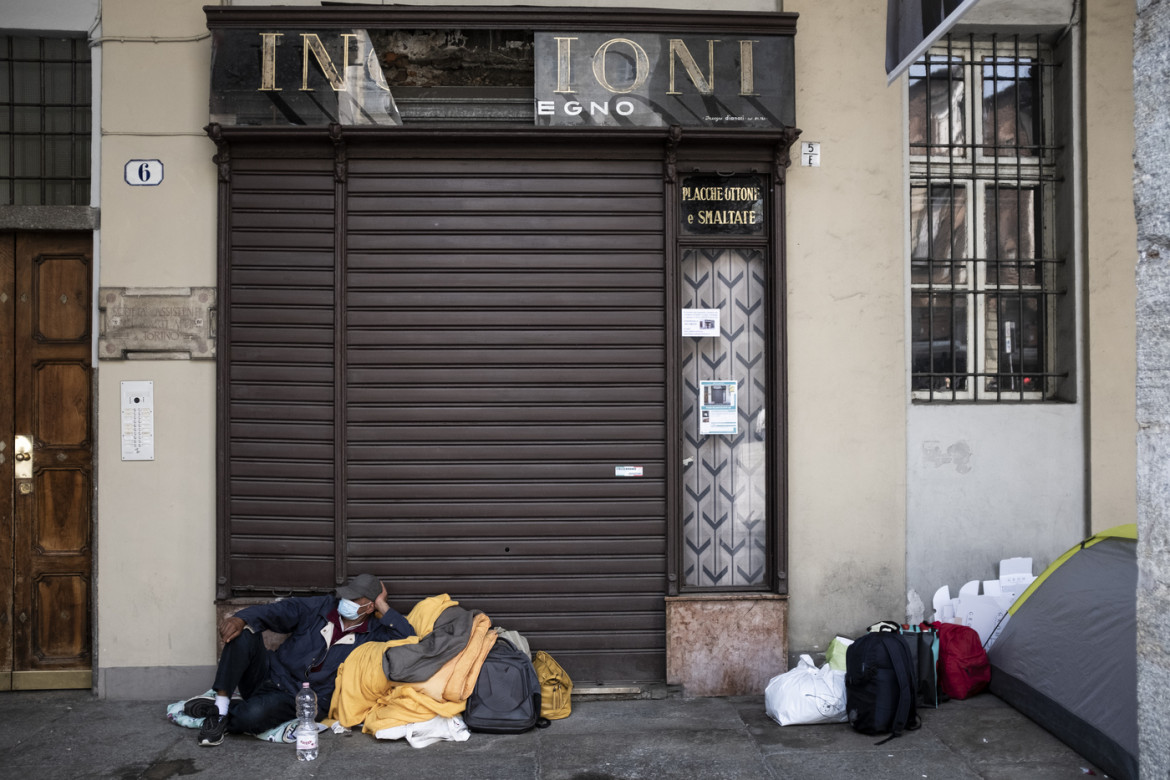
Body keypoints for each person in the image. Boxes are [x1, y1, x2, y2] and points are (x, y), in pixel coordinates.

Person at [184, 573, 415, 746]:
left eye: (355, 599)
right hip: (269, 673)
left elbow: (410, 641)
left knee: (251, 717)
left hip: (300, 696)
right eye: (346, 594)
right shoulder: (321, 607)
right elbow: (283, 609)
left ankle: (228, 710)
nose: (346, 600)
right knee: (243, 632)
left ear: (370, 606)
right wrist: (241, 618)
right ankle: (220, 710)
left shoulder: (375, 632)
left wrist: (384, 606)